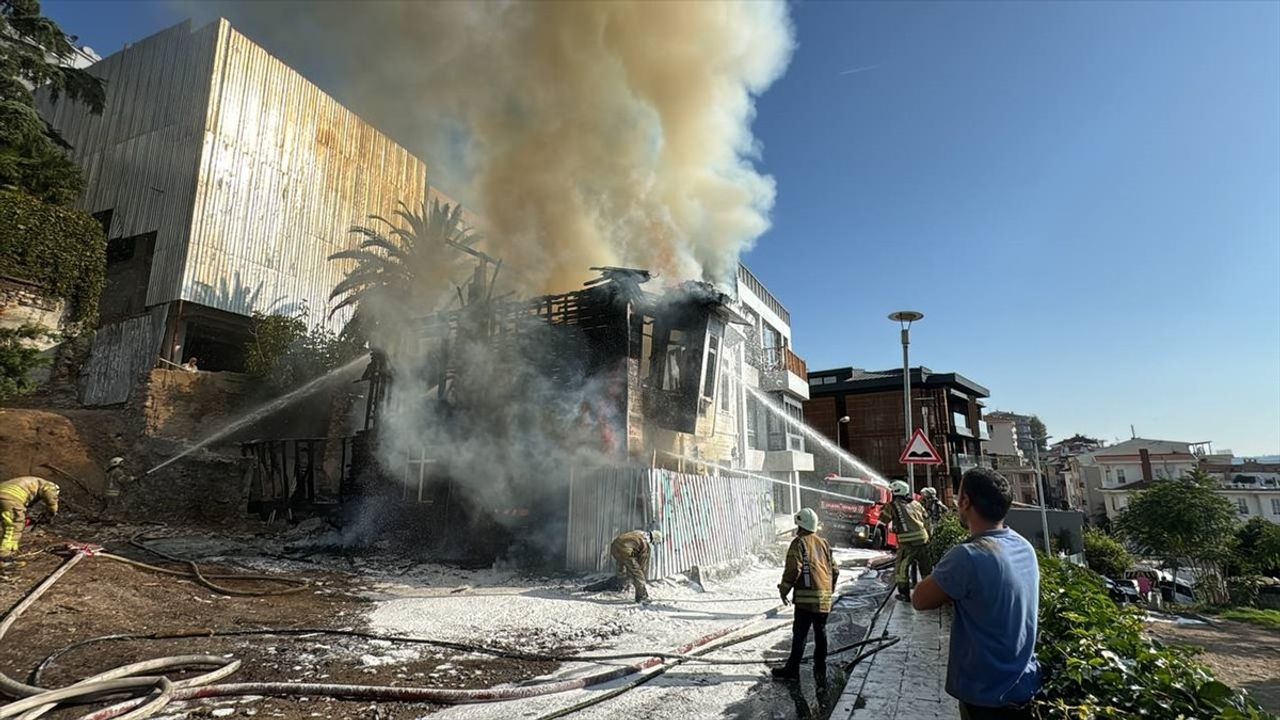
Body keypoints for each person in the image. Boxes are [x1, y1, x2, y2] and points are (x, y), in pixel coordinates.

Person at [913, 468, 1041, 720]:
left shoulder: (968, 555)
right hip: (1024, 686)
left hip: (986, 696)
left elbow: (920, 599)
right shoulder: (1023, 546)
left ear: (965, 501)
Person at [773, 507, 839, 683]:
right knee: (821, 632)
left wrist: (784, 589)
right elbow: (835, 570)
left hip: (806, 598)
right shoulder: (824, 543)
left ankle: (792, 669)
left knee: (800, 633)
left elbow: (794, 569)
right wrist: (829, 590)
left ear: (800, 525)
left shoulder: (799, 542)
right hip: (824, 598)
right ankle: (820, 668)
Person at [884, 480, 931, 601]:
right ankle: (929, 594)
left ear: (895, 492)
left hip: (907, 543)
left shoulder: (892, 505)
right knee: (926, 568)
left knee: (901, 569)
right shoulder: (916, 504)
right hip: (923, 539)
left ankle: (904, 594)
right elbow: (926, 519)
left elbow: (883, 519)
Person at [0, 476, 60, 564]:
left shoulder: (31, 482)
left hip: (4, 493)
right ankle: (4, 557)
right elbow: (50, 495)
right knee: (14, 527)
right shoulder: (49, 485)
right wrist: (52, 510)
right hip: (10, 498)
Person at [608, 529, 663, 604]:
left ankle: (619, 584)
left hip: (614, 546)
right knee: (638, 574)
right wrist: (639, 575)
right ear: (653, 540)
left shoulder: (638, 533)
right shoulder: (645, 544)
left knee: (622, 566)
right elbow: (640, 565)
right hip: (625, 550)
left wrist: (631, 567)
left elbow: (632, 550)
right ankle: (641, 597)